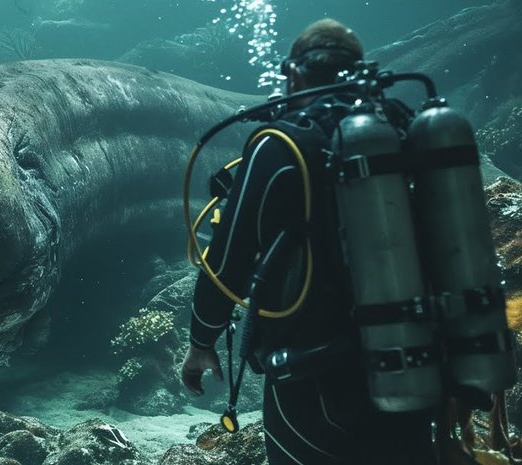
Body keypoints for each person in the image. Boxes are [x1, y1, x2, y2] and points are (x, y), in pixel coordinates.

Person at [179, 19, 440, 464]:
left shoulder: (281, 145)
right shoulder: (406, 129)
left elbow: (227, 261)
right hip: (417, 365)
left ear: (293, 75)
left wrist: (201, 341)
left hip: (314, 374)